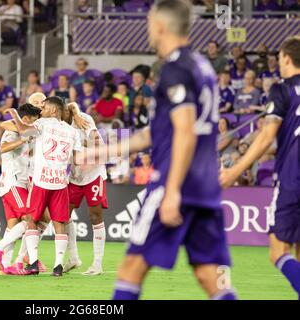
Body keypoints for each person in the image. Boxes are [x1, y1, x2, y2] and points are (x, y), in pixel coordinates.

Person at [101, 0, 236, 300]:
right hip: (205, 186)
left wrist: (172, 189)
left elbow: (185, 131)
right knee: (212, 275)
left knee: (130, 269)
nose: (148, 28)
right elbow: (161, 131)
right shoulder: (202, 66)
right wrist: (104, 152)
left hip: (175, 182)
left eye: (149, 22)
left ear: (160, 26)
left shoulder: (175, 69)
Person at [220, 36, 300, 298]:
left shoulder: (282, 88)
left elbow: (266, 137)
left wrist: (233, 170)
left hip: (293, 176)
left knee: (278, 251)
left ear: (286, 59)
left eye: (279, 58)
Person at [6, 97, 83, 277]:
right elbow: (77, 160)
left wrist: (16, 116)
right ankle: (58, 266)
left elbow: (23, 130)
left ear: (54, 111)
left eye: (46, 107)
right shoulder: (72, 132)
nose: (42, 109)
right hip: (60, 183)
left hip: (41, 181)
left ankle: (32, 263)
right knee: (59, 223)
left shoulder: (43, 123)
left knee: (32, 219)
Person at [0, 103, 41, 274]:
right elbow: (3, 148)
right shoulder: (12, 132)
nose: (35, 123)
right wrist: (22, 140)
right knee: (30, 219)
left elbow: (29, 135)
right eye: (33, 120)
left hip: (16, 183)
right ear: (26, 119)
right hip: (13, 183)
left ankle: (5, 265)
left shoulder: (26, 131)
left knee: (13, 225)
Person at [64, 102, 108, 276]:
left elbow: (99, 143)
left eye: (63, 113)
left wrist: (75, 111)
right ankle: (74, 258)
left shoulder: (84, 119)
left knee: (95, 216)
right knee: (63, 215)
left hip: (93, 174)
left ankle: (97, 264)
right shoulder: (58, 126)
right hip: (74, 177)